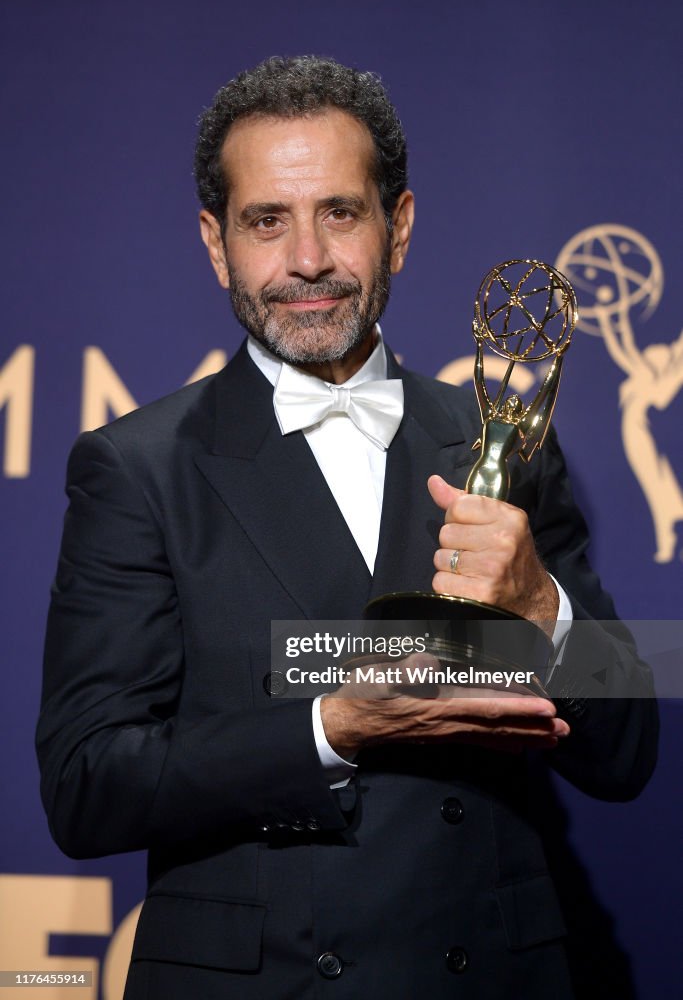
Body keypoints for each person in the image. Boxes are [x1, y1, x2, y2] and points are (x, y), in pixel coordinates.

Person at [37, 56, 658, 1000]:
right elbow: (86, 785)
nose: (307, 261)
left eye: (339, 212)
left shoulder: (500, 441)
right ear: (216, 245)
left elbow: (628, 754)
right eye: (264, 222)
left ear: (397, 227)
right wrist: (334, 726)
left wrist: (542, 608)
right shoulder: (138, 466)